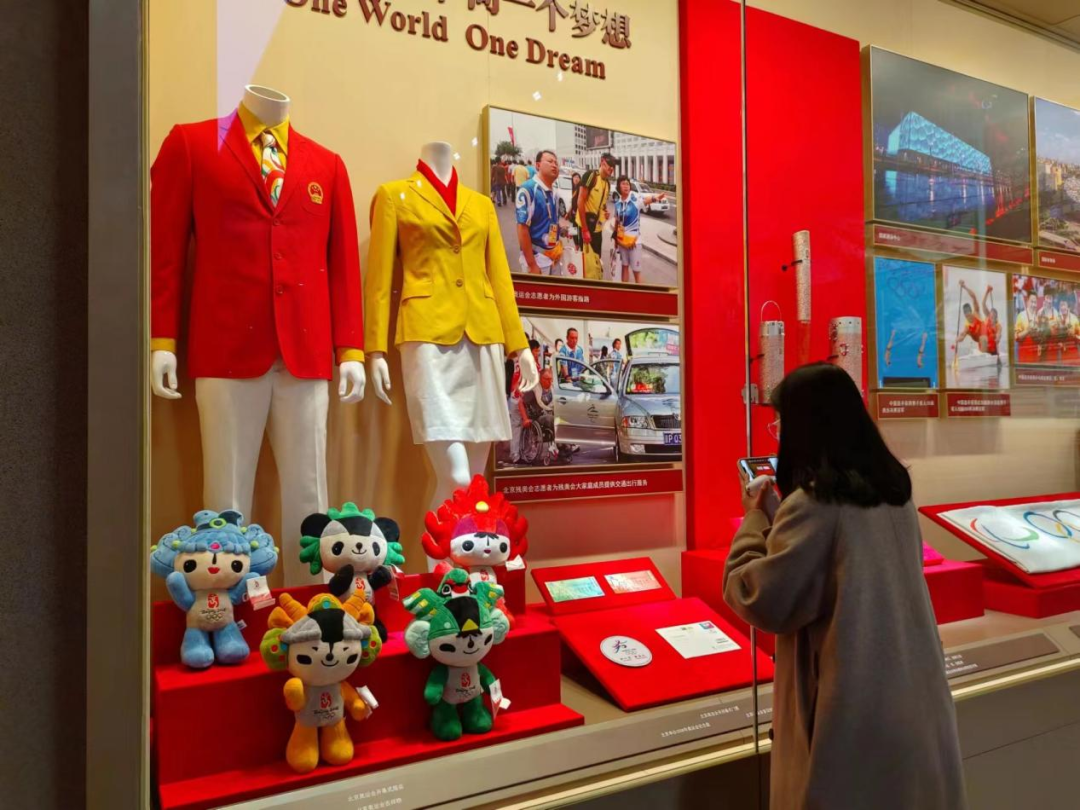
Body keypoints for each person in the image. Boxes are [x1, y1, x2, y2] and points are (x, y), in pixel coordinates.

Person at [724, 363, 967, 810]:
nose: (779, 434)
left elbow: (757, 597)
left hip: (852, 722)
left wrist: (754, 519)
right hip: (912, 711)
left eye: (781, 423)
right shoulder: (893, 492)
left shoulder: (814, 503)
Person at [516, 150, 564, 276]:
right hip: (537, 260)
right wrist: (532, 264)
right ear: (538, 165)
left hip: (554, 257)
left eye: (556, 163)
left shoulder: (555, 193)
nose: (554, 165)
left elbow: (550, 221)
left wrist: (562, 230)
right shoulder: (528, 190)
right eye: (550, 161)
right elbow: (522, 228)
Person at [612, 175, 666, 284]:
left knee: (636, 272)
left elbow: (645, 201)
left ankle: (641, 292)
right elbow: (617, 221)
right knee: (624, 267)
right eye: (623, 184)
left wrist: (656, 198)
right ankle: (625, 291)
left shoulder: (635, 199)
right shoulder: (617, 204)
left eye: (627, 184)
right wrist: (615, 239)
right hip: (622, 242)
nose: (626, 186)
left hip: (634, 242)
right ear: (618, 186)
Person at [578, 153, 617, 280]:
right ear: (602, 162)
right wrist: (584, 230)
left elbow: (602, 204)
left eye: (614, 165)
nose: (612, 167)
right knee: (586, 262)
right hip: (586, 226)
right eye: (610, 164)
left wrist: (605, 211)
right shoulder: (591, 176)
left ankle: (595, 283)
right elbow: (580, 201)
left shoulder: (607, 184)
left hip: (597, 229)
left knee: (596, 259)